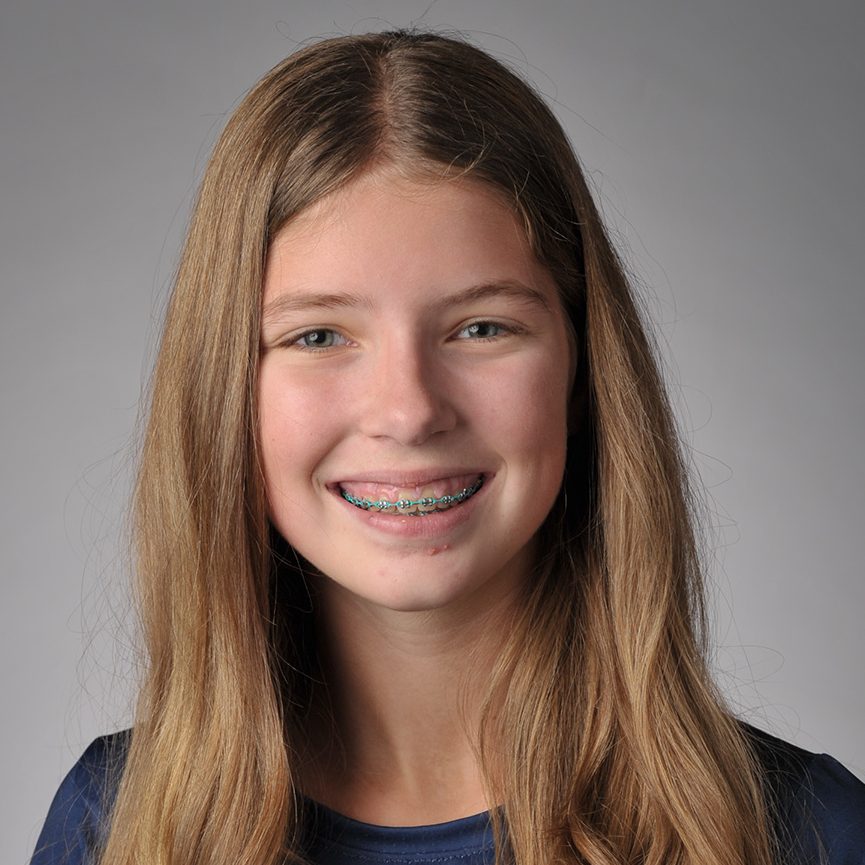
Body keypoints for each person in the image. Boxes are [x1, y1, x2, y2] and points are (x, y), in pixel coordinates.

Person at [30, 29, 865, 865]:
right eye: (318, 335)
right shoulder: (112, 827)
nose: (408, 411)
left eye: (481, 327)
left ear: (581, 370)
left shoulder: (807, 832)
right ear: (224, 393)